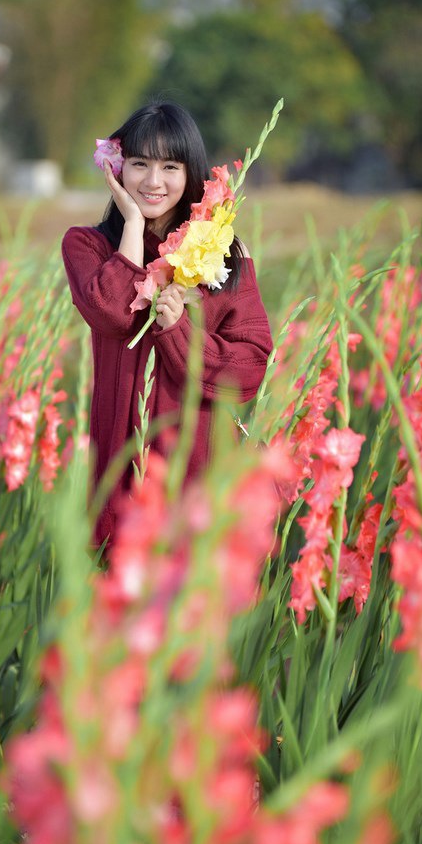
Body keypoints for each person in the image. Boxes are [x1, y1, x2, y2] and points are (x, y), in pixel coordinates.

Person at [61, 101, 273, 548]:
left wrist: (178, 331)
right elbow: (114, 312)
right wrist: (133, 226)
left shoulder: (223, 253)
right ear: (118, 169)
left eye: (170, 167)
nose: (153, 182)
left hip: (198, 479)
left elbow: (250, 367)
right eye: (139, 164)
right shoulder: (88, 247)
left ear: (190, 173)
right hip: (121, 475)